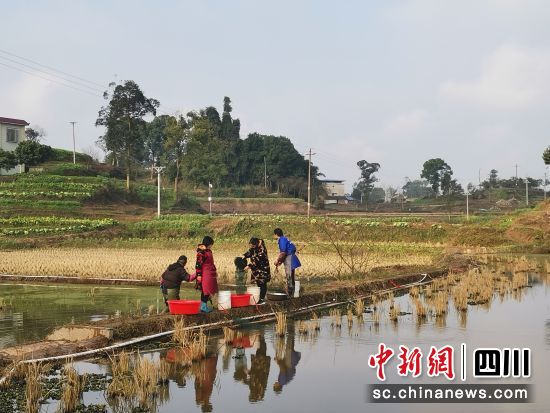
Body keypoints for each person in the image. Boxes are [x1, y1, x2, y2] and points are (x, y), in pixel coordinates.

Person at [273, 228, 301, 297]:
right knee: (291, 276)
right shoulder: (285, 238)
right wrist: (280, 261)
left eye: (274, 234)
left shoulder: (282, 240)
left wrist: (278, 260)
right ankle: (293, 292)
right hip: (291, 257)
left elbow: (283, 252)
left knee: (289, 276)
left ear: (276, 234)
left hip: (289, 258)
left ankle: (290, 293)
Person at [243, 237, 271, 304]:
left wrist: (249, 266)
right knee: (258, 283)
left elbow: (257, 261)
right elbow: (251, 251)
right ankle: (258, 298)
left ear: (256, 244)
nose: (252, 247)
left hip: (263, 269)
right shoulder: (255, 246)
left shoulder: (262, 250)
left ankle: (262, 299)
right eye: (251, 245)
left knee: (262, 283)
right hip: (257, 270)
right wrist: (244, 256)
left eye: (253, 245)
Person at [195, 236, 218, 313]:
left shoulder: (208, 251)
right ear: (208, 244)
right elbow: (198, 264)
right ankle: (203, 306)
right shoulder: (201, 252)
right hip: (205, 273)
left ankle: (204, 305)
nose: (211, 246)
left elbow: (211, 262)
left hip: (210, 272)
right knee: (206, 290)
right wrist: (198, 275)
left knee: (208, 290)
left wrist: (214, 270)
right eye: (211, 244)